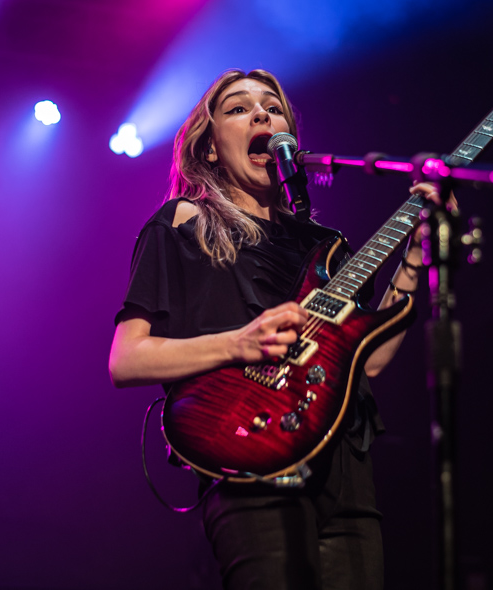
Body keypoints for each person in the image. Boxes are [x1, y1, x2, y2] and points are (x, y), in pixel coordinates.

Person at [109, 68, 440, 590]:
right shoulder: (182, 222)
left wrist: (416, 259)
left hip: (347, 473)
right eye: (238, 108)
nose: (262, 114)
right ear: (211, 147)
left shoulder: (325, 244)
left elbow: (368, 361)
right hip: (251, 455)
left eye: (273, 106)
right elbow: (127, 359)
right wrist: (239, 342)